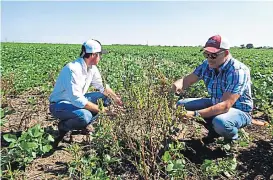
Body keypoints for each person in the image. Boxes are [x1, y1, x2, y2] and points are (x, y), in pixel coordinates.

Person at [172, 35, 253, 144]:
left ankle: (232, 140)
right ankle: (214, 130)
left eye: (214, 55)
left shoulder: (237, 71)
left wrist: (194, 114)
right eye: (206, 54)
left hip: (238, 110)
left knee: (221, 122)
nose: (209, 58)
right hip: (216, 102)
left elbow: (225, 105)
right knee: (180, 105)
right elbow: (187, 81)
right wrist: (177, 84)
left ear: (226, 53)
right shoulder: (207, 65)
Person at [49, 39, 123, 147]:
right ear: (93, 55)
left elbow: (102, 86)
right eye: (100, 54)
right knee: (85, 115)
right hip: (59, 105)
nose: (100, 57)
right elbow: (77, 99)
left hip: (76, 101)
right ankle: (64, 127)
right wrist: (105, 111)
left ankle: (83, 125)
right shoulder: (72, 69)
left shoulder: (92, 68)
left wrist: (117, 100)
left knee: (105, 98)